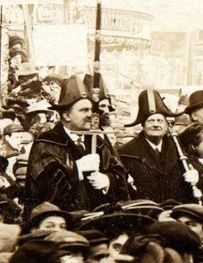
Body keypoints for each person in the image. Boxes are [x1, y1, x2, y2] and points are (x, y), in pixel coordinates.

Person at [26, 74, 129, 212]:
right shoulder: (46, 143)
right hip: (64, 221)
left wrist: (108, 180)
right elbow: (43, 188)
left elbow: (120, 173)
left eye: (91, 110)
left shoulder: (97, 141)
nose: (90, 115)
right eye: (83, 110)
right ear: (66, 115)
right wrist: (76, 169)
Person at [118, 89, 189, 204]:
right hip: (145, 215)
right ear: (143, 125)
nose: (156, 124)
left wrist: (196, 173)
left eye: (160, 121)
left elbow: (191, 167)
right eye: (151, 121)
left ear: (166, 125)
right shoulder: (127, 152)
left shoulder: (177, 148)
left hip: (174, 213)